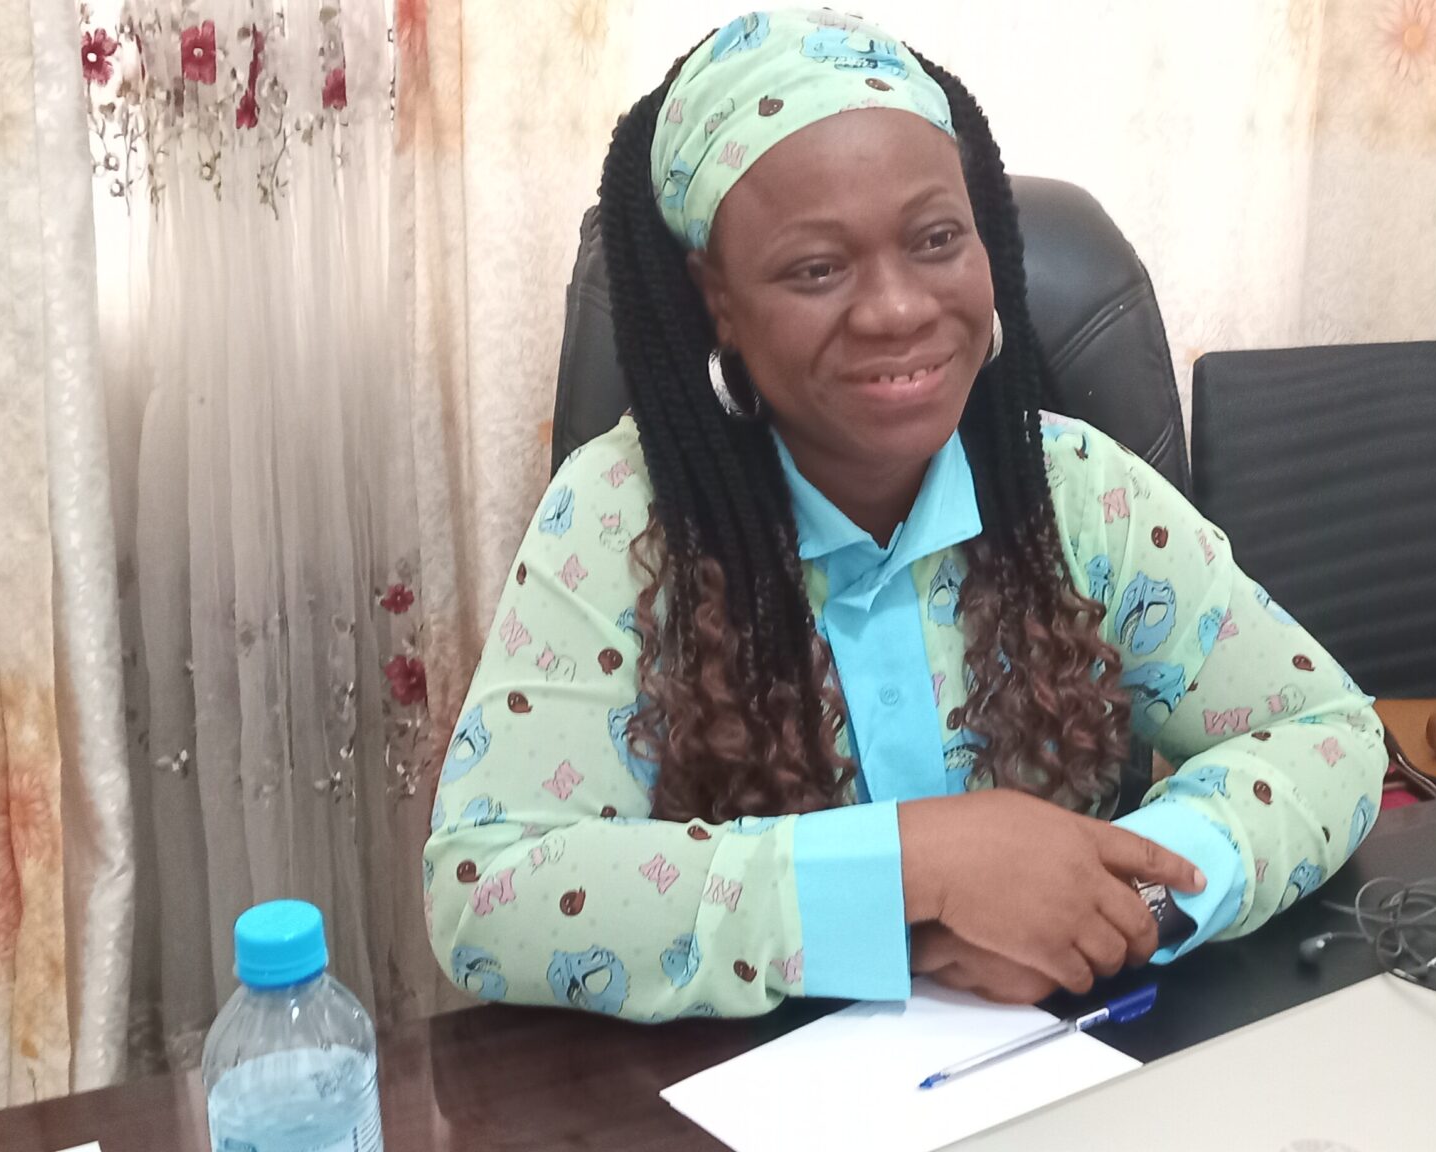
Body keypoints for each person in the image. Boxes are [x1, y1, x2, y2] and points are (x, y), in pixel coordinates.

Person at [422, 8, 1384, 1021]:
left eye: (936, 240)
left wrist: (1116, 904)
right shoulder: (621, 517)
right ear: (719, 299)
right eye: (816, 268)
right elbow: (489, 891)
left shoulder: (1075, 491)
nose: (897, 308)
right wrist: (913, 868)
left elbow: (1326, 733)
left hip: (1066, 1060)